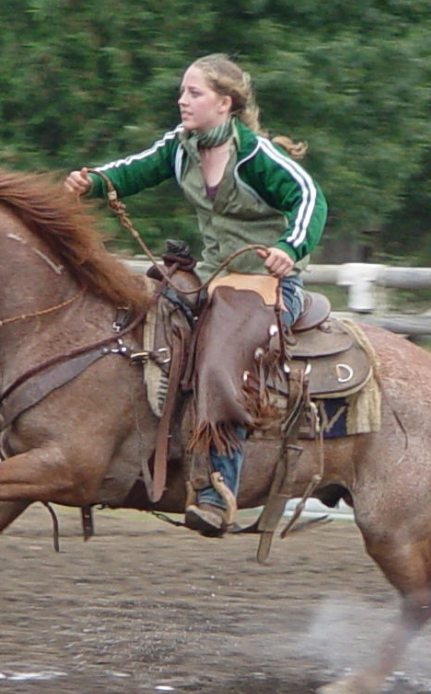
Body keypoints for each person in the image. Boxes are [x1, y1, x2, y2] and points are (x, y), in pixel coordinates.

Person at [65, 53, 328, 536]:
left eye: (194, 93)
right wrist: (95, 182)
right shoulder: (181, 147)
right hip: (211, 275)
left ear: (224, 104)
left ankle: (217, 489)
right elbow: (132, 171)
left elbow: (310, 198)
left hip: (265, 285)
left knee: (218, 360)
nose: (182, 100)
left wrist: (290, 248)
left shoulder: (257, 158)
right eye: (183, 91)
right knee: (139, 322)